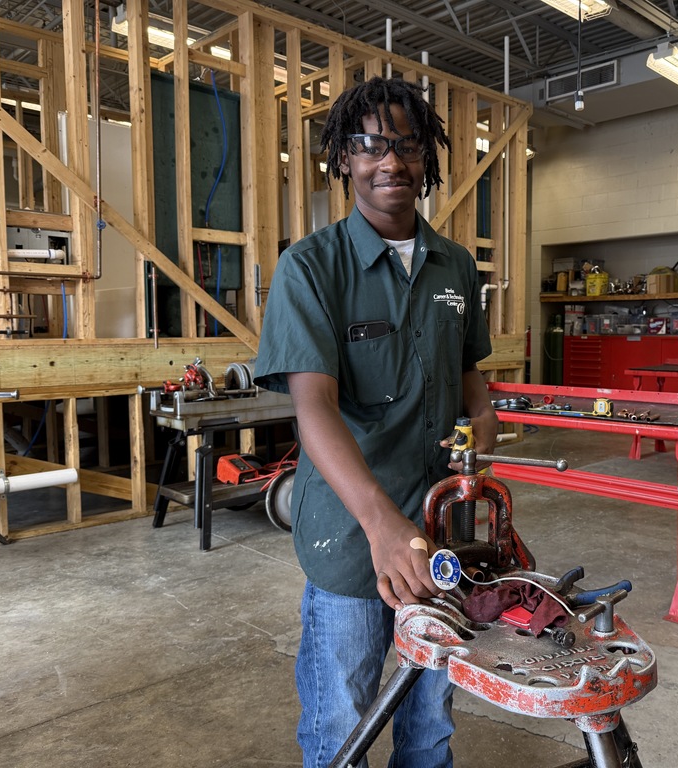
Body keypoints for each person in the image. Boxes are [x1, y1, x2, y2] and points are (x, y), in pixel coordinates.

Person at [253, 76, 498, 767]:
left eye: (408, 146)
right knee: (343, 718)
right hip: (350, 536)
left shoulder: (457, 267)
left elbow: (471, 381)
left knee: (429, 717)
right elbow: (315, 409)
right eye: (370, 146)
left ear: (428, 158)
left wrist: (484, 421)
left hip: (442, 528)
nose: (390, 162)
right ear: (344, 159)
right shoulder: (311, 268)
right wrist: (383, 526)